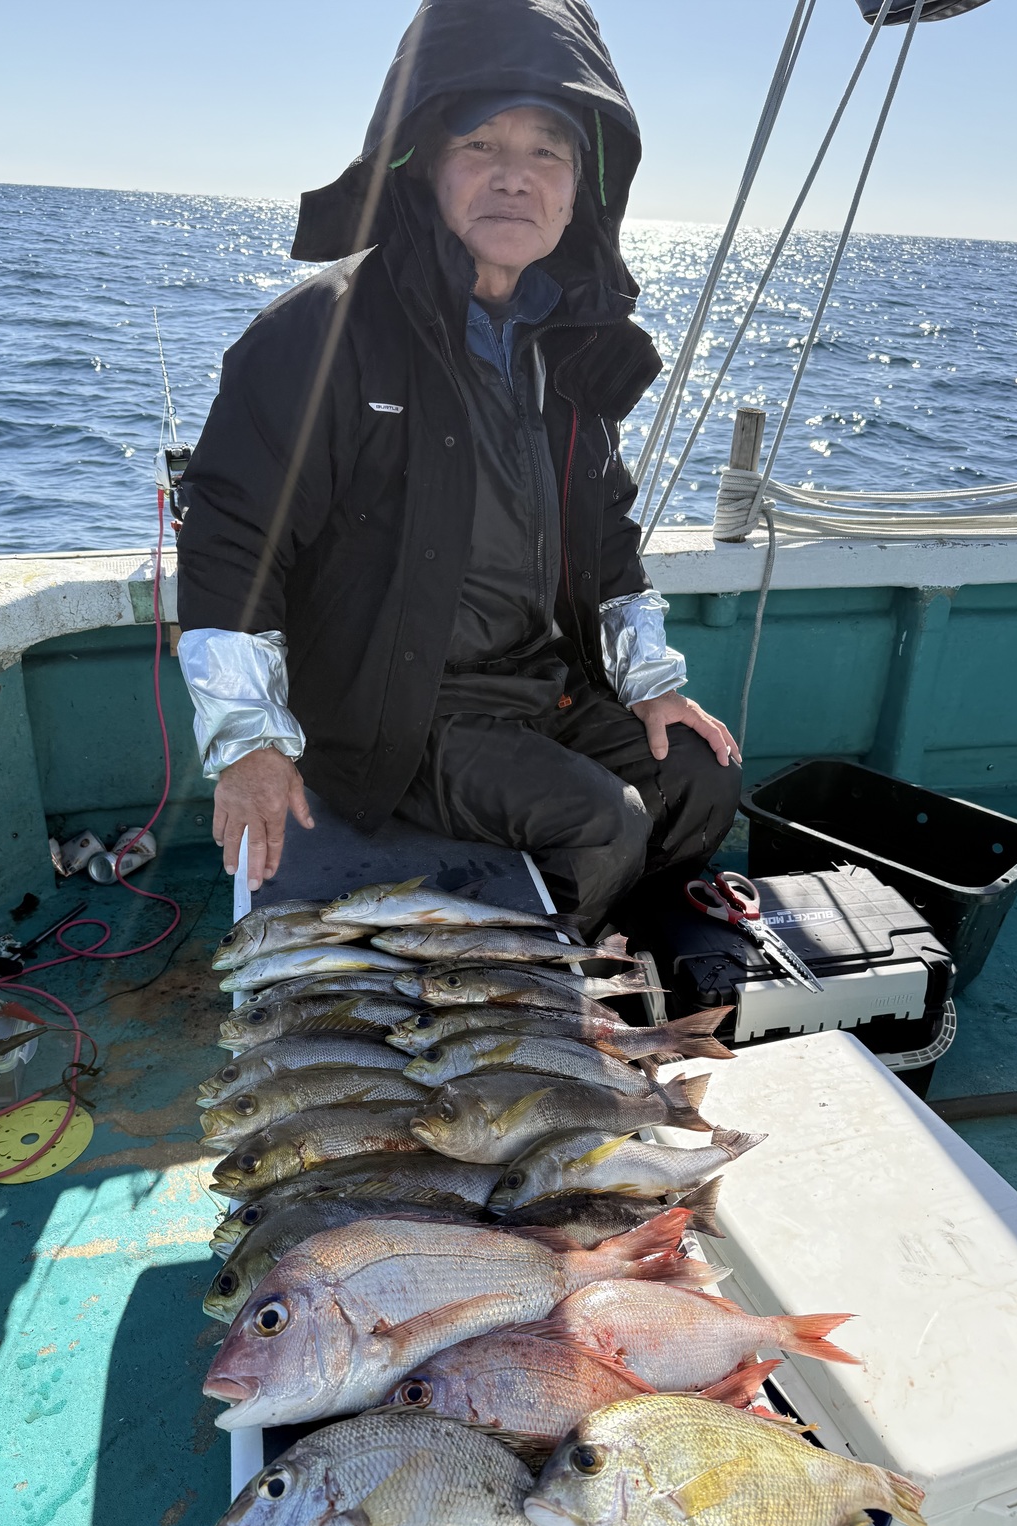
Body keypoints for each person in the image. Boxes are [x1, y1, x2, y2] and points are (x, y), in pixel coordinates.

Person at [176, 0, 741, 934]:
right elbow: (234, 535)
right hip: (398, 715)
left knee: (701, 781)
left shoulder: (572, 346)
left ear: (579, 191)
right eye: (481, 144)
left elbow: (606, 535)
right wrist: (249, 744)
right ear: (424, 166)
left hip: (542, 685)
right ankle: (524, 987)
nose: (515, 177)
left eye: (547, 152)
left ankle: (605, 954)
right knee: (602, 824)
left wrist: (652, 683)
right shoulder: (321, 332)